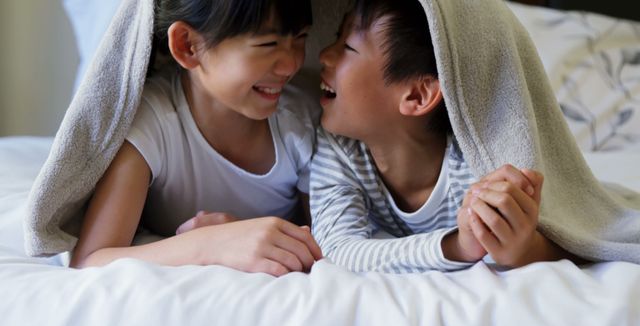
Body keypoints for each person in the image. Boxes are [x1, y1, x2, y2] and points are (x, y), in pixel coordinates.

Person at [310, 0, 580, 273]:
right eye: (337, 38)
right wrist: (458, 247)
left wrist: (525, 247)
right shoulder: (339, 147)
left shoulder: (479, 169)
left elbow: (574, 239)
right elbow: (337, 249)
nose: (324, 55)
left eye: (347, 47)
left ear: (418, 95)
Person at [70, 0, 323, 276]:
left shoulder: (303, 122)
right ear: (187, 46)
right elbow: (90, 260)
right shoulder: (152, 122)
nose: (290, 65)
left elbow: (331, 246)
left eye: (300, 37)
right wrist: (210, 245)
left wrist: (239, 234)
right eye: (268, 44)